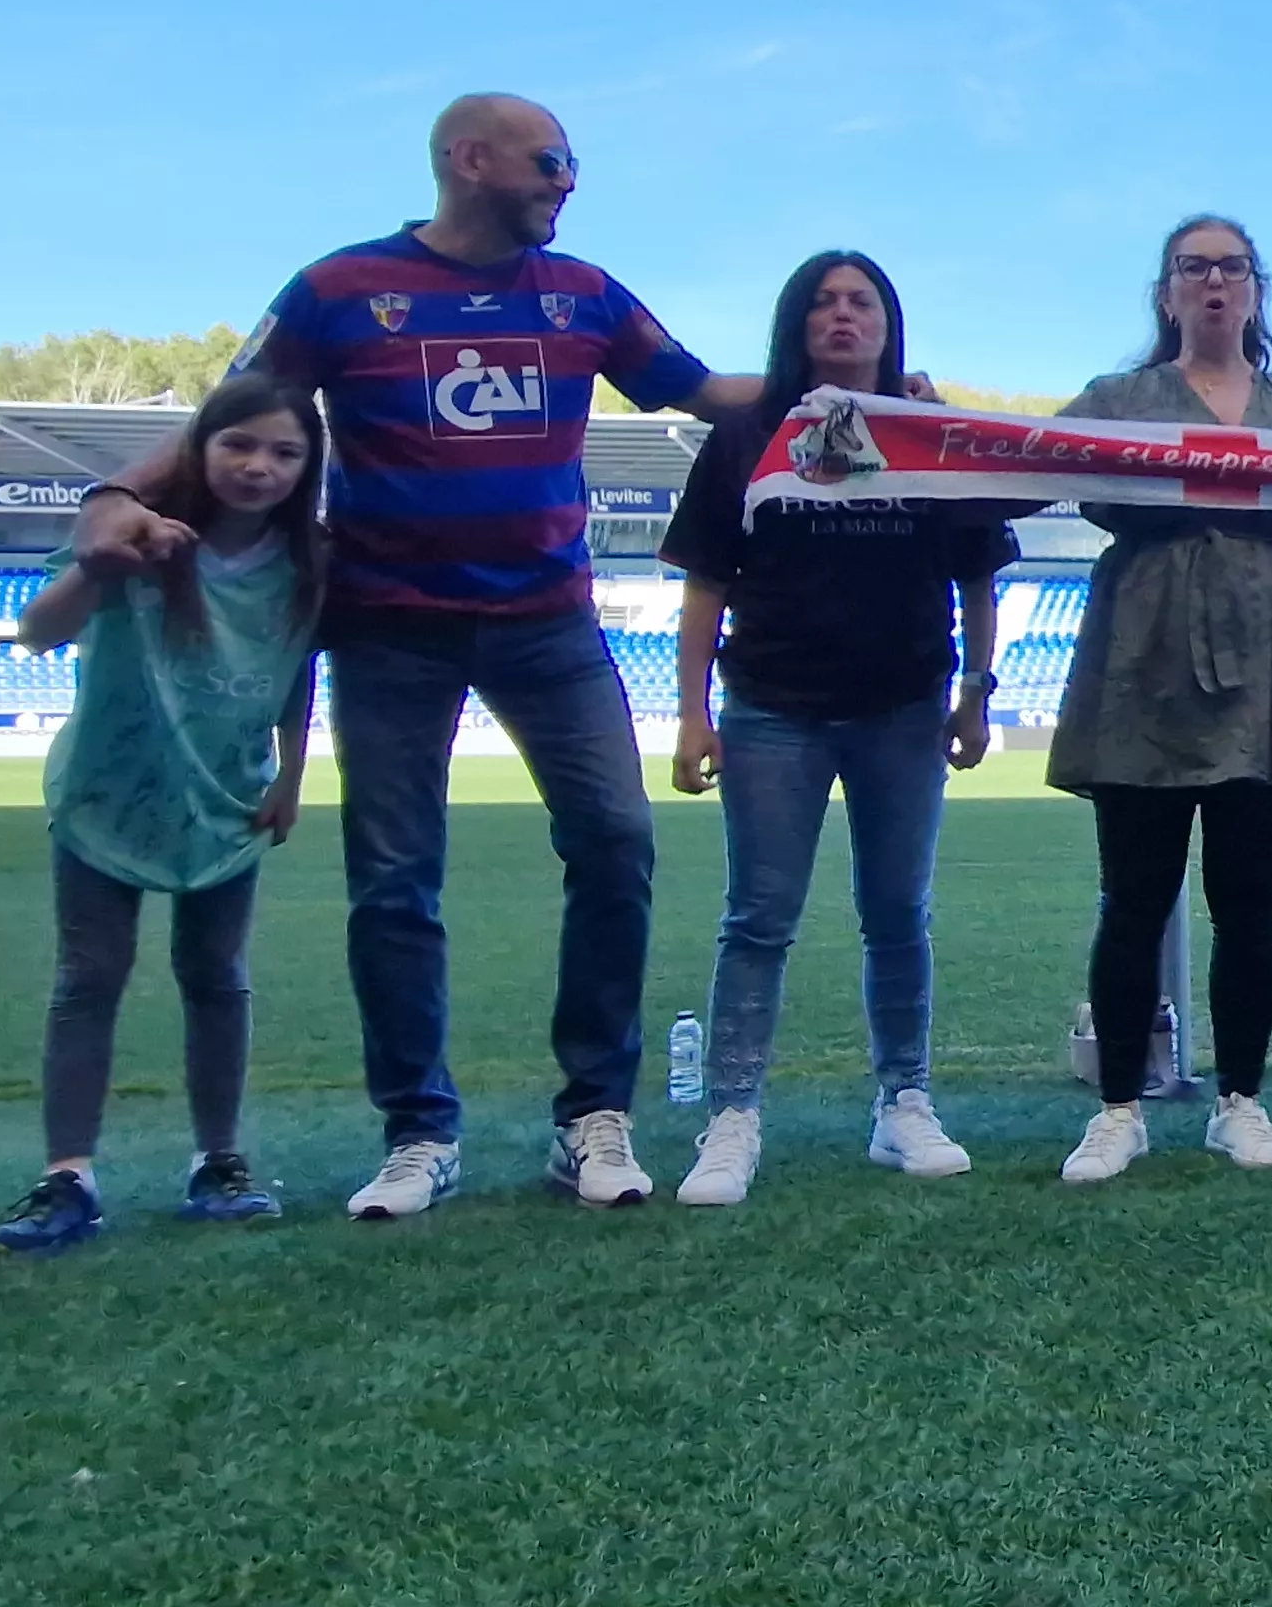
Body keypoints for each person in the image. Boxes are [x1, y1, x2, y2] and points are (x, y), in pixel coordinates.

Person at [71, 93, 766, 1219]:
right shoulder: (339, 288)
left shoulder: (584, 291)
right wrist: (112, 492)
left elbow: (710, 396)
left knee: (616, 840)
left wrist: (865, 395)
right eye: (552, 160)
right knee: (394, 879)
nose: (567, 181)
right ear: (467, 157)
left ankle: (592, 1114)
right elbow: (225, 417)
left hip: (549, 621)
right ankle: (418, 1130)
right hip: (389, 622)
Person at [661, 252, 1016, 1206]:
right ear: (796, 322)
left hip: (903, 709)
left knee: (899, 916)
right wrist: (693, 712)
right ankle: (731, 1118)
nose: (843, 315)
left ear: (888, 323)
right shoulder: (747, 436)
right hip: (773, 709)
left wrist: (977, 689)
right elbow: (706, 583)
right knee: (758, 920)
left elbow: (979, 570)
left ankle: (904, 1103)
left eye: (862, 301)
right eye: (823, 301)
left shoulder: (931, 436)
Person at [1050, 214, 1272, 1183]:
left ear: (1255, 289)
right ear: (1166, 292)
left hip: (1271, 660)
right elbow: (1016, 461)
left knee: (1250, 898)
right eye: (1193, 267)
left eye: (1231, 268)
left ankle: (1241, 1097)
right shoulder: (1118, 398)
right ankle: (1118, 1105)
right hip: (1143, 658)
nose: (1213, 282)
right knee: (1133, 897)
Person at [0, 379, 326, 1257]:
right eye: (239, 444)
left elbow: (297, 664)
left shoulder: (309, 559)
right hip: (109, 789)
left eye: (286, 453)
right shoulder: (131, 537)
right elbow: (37, 632)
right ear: (199, 450)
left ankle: (220, 1162)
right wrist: (99, 566)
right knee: (87, 979)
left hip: (225, 797)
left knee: (216, 977)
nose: (260, 467)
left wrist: (292, 767)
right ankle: (68, 1177)